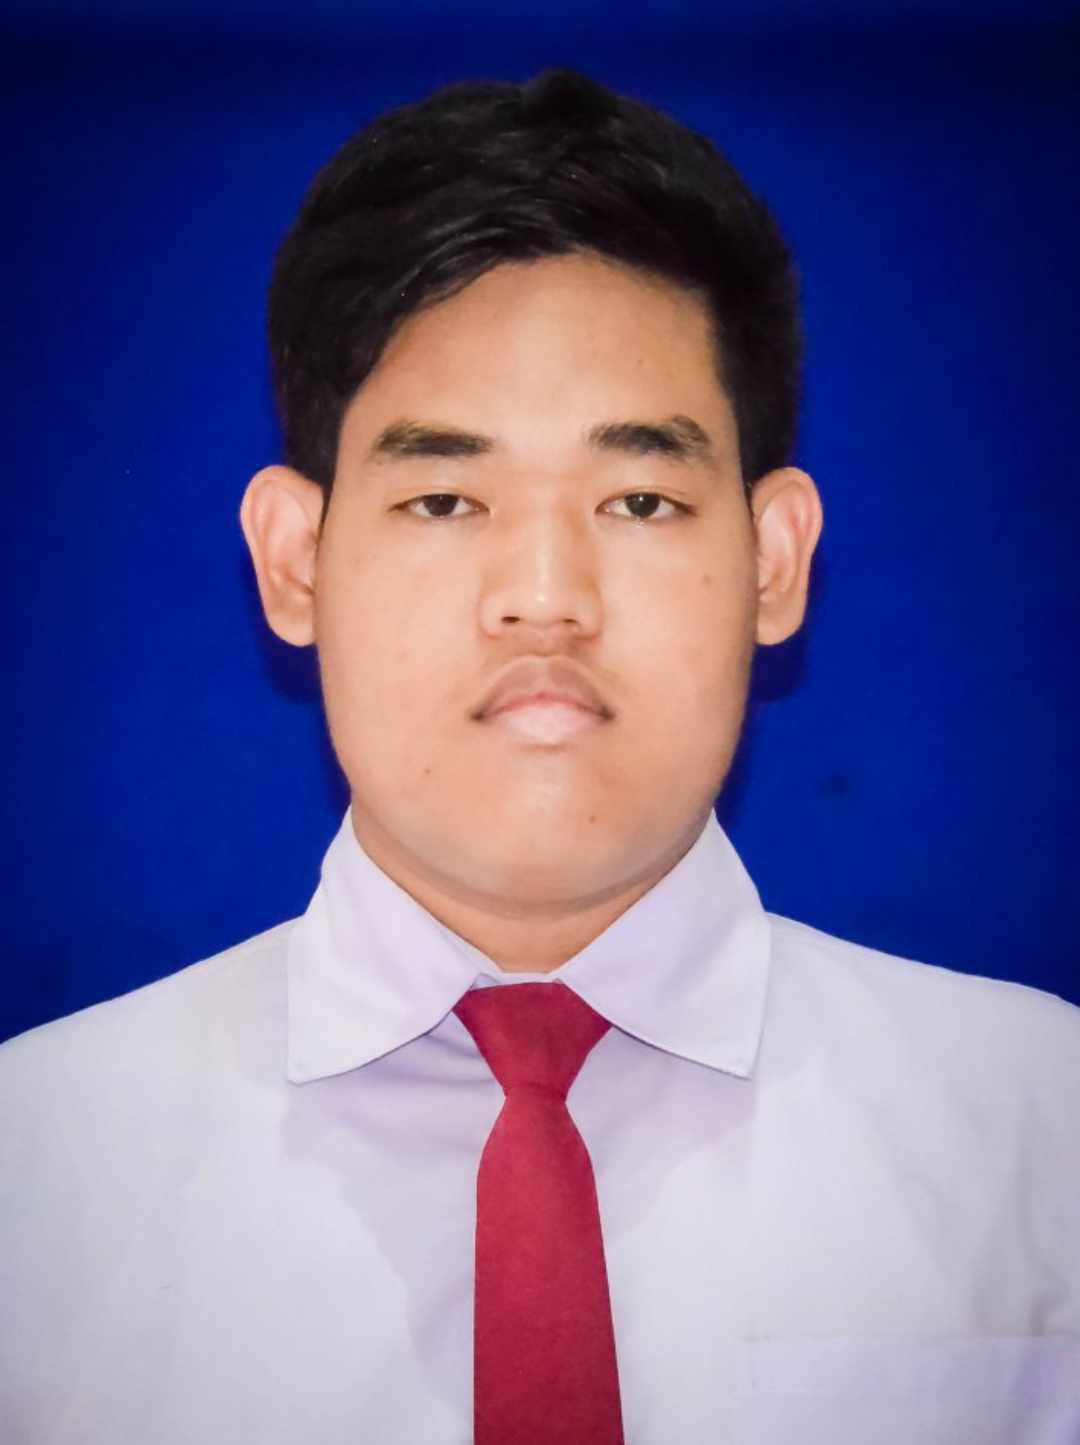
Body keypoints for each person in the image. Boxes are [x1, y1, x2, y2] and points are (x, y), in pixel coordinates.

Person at [1, 67, 1077, 1445]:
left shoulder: (1043, 1134)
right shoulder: (35, 1175)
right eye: (446, 498)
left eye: (640, 499)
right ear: (295, 562)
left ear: (774, 560)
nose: (547, 595)